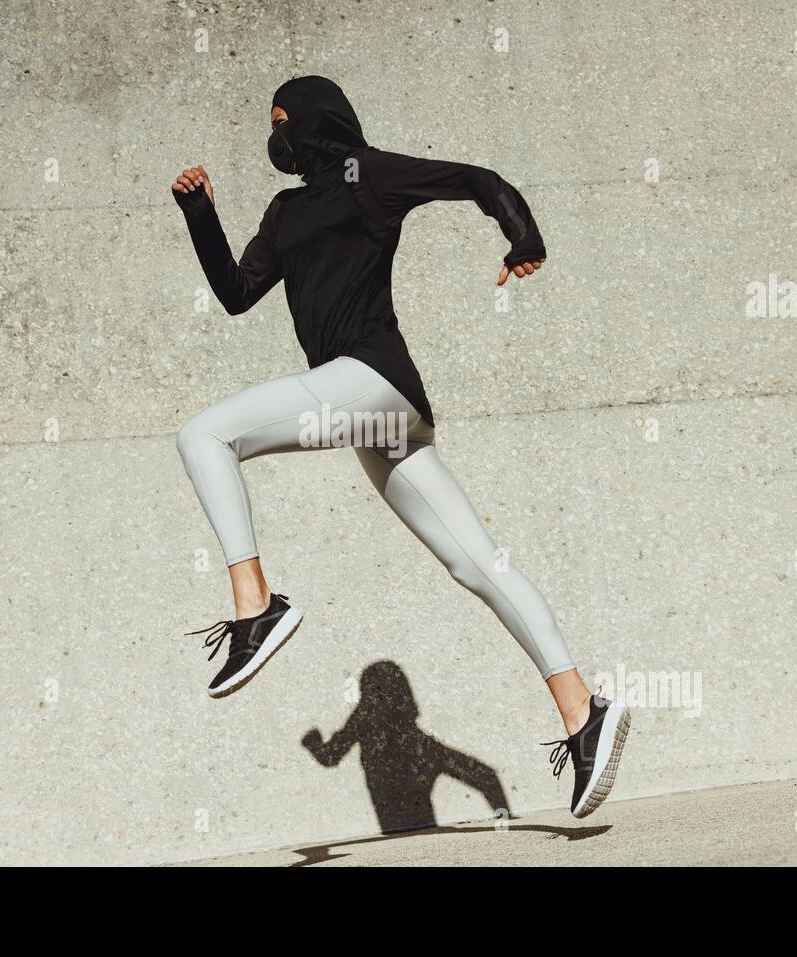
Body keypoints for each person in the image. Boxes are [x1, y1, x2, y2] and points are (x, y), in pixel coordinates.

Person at [172, 75, 629, 817]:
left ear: (317, 120)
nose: (275, 135)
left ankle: (255, 604)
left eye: (283, 120)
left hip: (372, 379)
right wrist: (200, 215)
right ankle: (584, 714)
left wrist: (524, 236)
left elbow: (476, 180)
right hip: (376, 414)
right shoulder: (285, 211)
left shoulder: (369, 174)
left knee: (204, 433)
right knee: (475, 562)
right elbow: (234, 291)